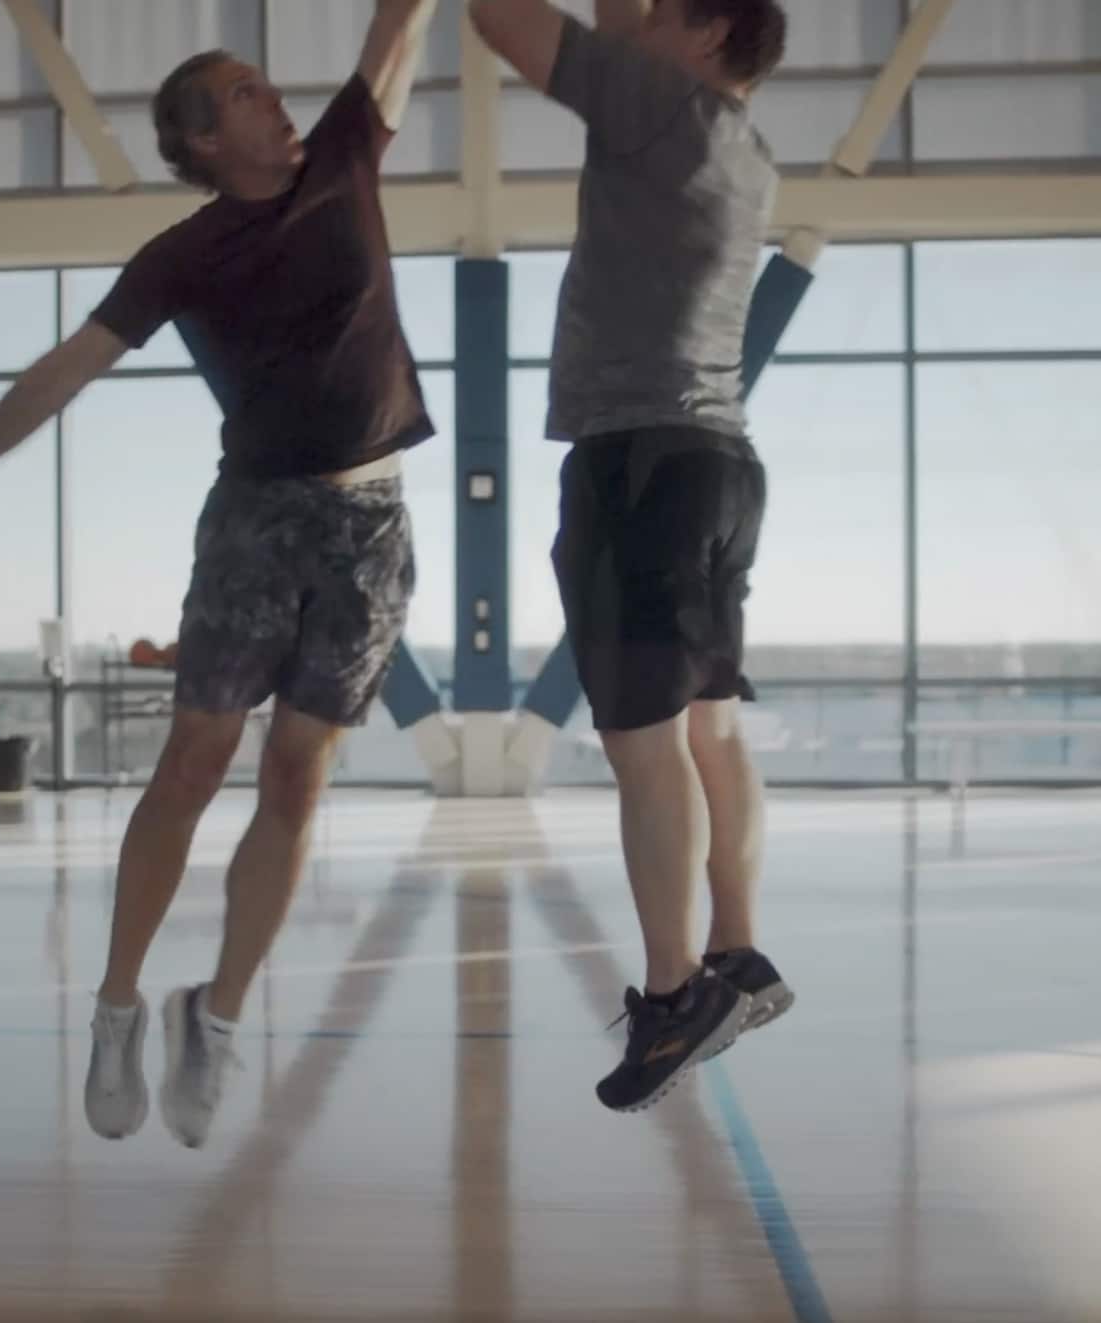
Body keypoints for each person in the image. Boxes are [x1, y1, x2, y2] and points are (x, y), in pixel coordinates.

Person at [0, 0, 443, 1148]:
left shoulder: (344, 156)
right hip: (256, 522)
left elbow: (400, 24)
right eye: (242, 92)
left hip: (373, 524)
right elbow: (62, 372)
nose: (272, 95)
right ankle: (119, 1006)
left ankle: (214, 1018)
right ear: (202, 143)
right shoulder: (181, 255)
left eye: (264, 83)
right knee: (196, 757)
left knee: (297, 782)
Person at [468, 0, 790, 1112]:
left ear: (706, 34)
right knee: (708, 726)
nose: (631, 20)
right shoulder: (744, 149)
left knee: (643, 746)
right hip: (717, 464)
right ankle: (737, 951)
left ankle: (674, 993)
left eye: (657, 12)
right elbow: (616, 27)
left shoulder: (658, 104)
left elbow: (502, 21)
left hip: (638, 466)